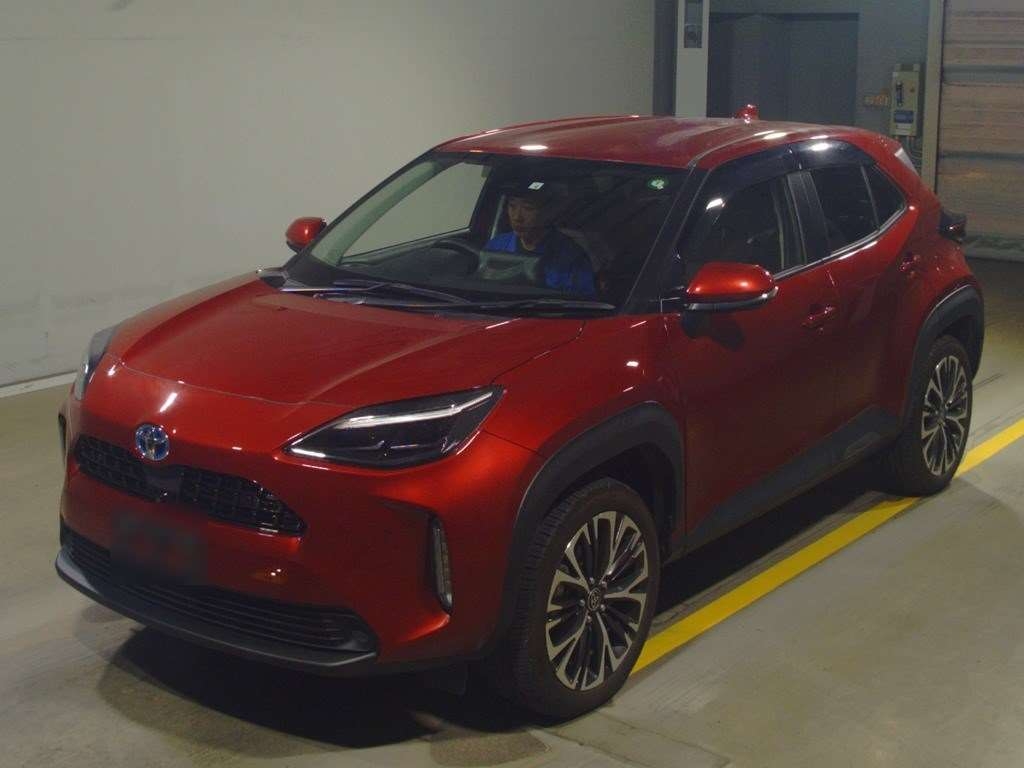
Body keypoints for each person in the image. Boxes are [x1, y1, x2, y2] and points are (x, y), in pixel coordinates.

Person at [485, 182, 596, 297]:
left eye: (528, 208)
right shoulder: (497, 246)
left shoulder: (571, 257)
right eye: (512, 206)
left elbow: (583, 302)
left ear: (548, 212)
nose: (517, 217)